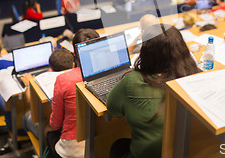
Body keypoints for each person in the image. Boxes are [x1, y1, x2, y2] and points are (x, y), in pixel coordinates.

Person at [107, 24, 200, 158]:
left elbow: (113, 109)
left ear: (146, 52)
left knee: (118, 146)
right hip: (184, 152)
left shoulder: (132, 81)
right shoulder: (194, 77)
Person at [46, 29, 99, 158]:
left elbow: (55, 124)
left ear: (74, 53)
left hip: (75, 150)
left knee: (48, 132)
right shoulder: (112, 74)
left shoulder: (64, 80)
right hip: (104, 144)